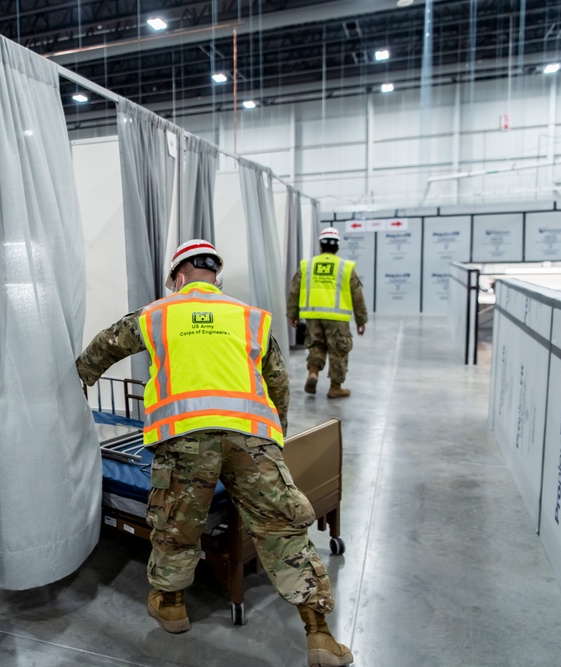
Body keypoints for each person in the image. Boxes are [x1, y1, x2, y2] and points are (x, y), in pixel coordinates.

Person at [76, 240, 353, 667]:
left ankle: (171, 605)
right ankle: (319, 635)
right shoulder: (251, 318)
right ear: (215, 279)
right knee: (283, 529)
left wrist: (82, 378)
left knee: (176, 524)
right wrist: (272, 436)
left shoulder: (156, 314)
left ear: (179, 277)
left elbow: (104, 346)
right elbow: (277, 383)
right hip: (251, 439)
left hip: (184, 439)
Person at [287, 227, 368, 398]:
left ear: (320, 246)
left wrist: (292, 314)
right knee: (338, 350)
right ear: (337, 247)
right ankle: (335, 387)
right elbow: (357, 296)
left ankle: (313, 373)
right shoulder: (346, 267)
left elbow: (295, 290)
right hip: (337, 319)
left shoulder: (307, 265)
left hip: (313, 316)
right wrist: (361, 320)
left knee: (316, 346)